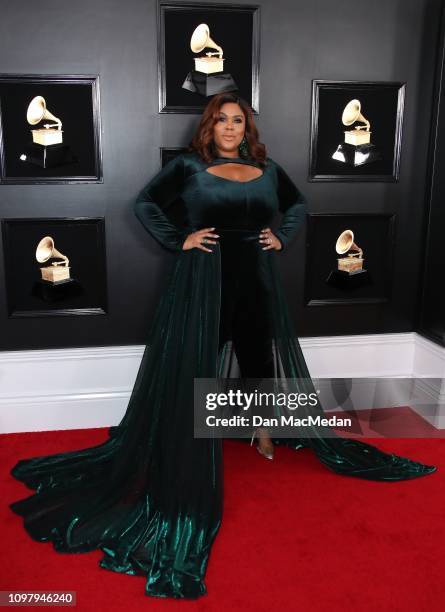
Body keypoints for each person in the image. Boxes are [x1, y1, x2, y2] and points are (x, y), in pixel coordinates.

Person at [9, 92, 436, 600]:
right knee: (198, 356)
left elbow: (297, 205)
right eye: (222, 120)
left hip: (255, 276)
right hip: (203, 276)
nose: (230, 127)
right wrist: (179, 239)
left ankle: (259, 431)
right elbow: (144, 204)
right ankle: (187, 441)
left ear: (246, 127)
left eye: (238, 120)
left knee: (257, 354)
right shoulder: (189, 167)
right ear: (208, 127)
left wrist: (282, 235)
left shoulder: (268, 168)